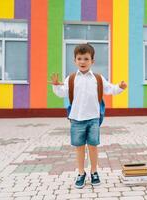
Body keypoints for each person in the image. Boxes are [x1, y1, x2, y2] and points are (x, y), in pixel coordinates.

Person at [49, 43, 127, 188]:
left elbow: (110, 89)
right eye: (79, 58)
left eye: (86, 59)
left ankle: (94, 171)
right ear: (75, 61)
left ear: (92, 61)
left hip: (93, 119)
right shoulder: (71, 79)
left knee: (93, 146)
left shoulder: (97, 78)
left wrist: (120, 87)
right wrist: (55, 86)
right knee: (79, 147)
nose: (82, 62)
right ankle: (80, 173)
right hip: (76, 119)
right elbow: (61, 93)